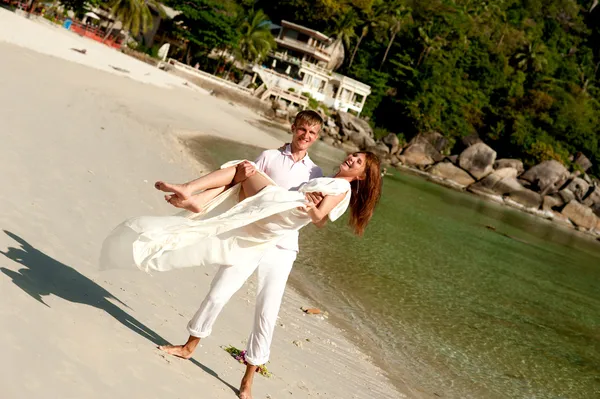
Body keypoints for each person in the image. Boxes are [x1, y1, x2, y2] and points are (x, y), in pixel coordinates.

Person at [100, 111, 382, 399]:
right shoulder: (270, 157)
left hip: (282, 247)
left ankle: (248, 380)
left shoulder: (317, 173)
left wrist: (311, 209)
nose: (306, 137)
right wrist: (264, 204)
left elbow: (320, 218)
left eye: (312, 133)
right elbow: (243, 193)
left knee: (267, 311)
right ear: (294, 128)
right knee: (218, 292)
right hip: (252, 235)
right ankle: (188, 347)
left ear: (317, 137)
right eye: (302, 130)